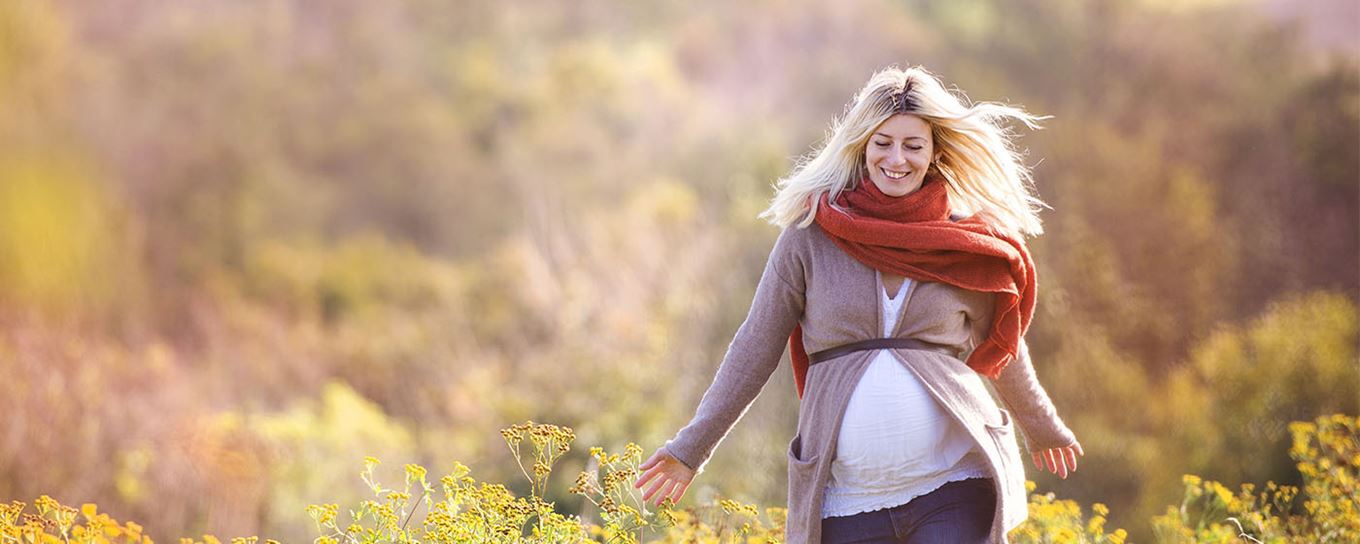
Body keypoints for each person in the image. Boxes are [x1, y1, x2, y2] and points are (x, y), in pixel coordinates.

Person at [634, 65, 1083, 543]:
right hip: (847, 501)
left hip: (953, 485)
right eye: (883, 142)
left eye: (914, 145)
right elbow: (754, 346)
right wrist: (691, 448)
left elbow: (1004, 346)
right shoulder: (810, 237)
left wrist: (1042, 425)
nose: (898, 158)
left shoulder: (963, 241)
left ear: (934, 153)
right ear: (862, 146)